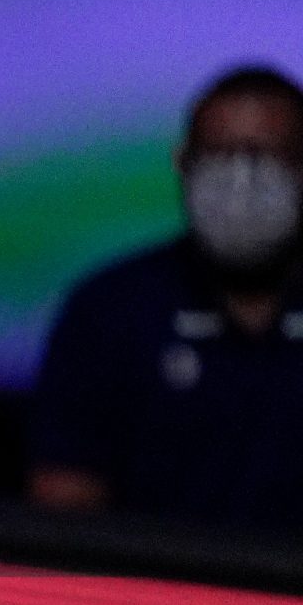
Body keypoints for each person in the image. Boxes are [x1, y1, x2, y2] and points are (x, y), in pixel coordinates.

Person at [30, 65, 303, 531]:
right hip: (153, 600)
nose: (242, 182)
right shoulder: (108, 312)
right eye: (220, 157)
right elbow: (62, 510)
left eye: (267, 158)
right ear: (183, 165)